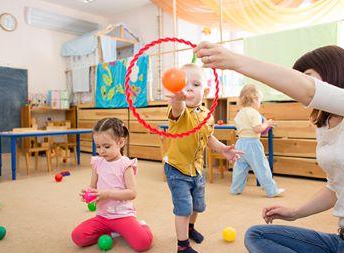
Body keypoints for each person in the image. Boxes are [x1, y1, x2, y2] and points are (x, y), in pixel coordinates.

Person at [194, 43, 344, 252]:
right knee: (257, 235)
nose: (298, 86)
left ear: (332, 72)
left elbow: (309, 90)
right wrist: (295, 212)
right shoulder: (324, 126)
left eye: (308, 76)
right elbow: (335, 188)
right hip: (342, 241)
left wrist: (236, 61)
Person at [164, 63, 242, 253]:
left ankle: (190, 229)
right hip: (177, 169)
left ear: (205, 90)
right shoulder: (180, 112)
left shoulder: (207, 115)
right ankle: (182, 247)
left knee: (198, 206)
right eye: (184, 84)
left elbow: (208, 137)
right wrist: (177, 98)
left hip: (197, 169)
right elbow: (178, 107)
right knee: (184, 208)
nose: (189, 88)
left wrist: (223, 149)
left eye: (196, 84)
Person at [71, 118, 153, 252]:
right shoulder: (97, 162)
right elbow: (92, 187)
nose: (101, 151)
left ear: (121, 142)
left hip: (122, 215)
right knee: (78, 237)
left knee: (143, 243)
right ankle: (113, 232)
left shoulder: (126, 165)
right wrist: (88, 194)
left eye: (106, 146)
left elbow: (132, 193)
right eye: (98, 146)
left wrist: (107, 193)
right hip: (102, 217)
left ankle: (141, 226)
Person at [231, 84, 283, 197]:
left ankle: (235, 189)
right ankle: (271, 190)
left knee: (240, 167)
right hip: (252, 144)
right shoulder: (254, 113)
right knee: (261, 166)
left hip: (240, 143)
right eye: (260, 100)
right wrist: (266, 123)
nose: (260, 103)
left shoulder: (240, 113)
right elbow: (257, 129)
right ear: (254, 99)